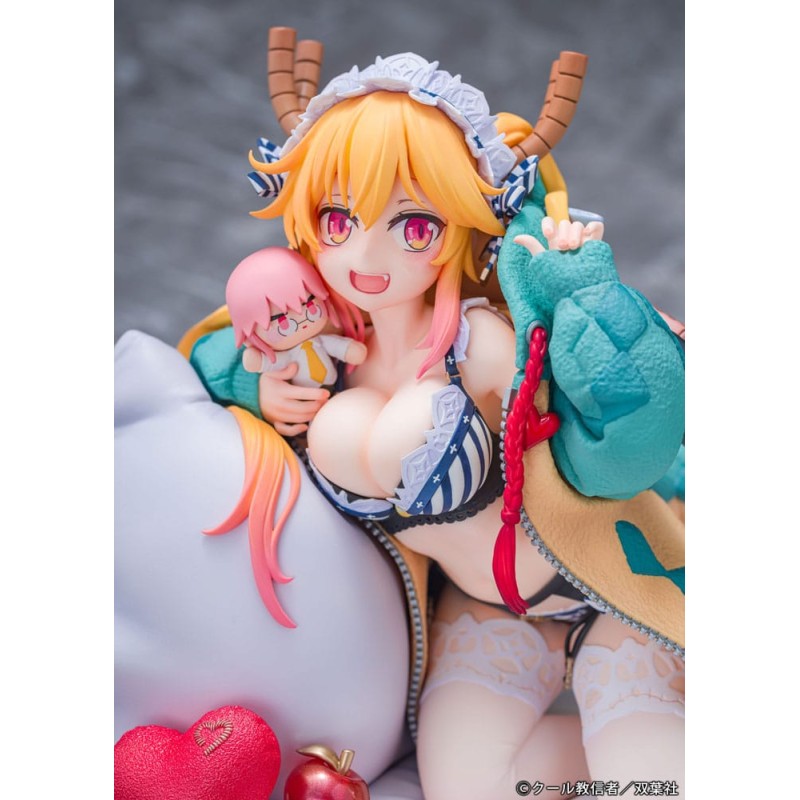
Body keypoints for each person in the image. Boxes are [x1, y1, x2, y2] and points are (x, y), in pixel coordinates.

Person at [185, 45, 686, 800]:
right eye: (338, 219)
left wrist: (589, 302)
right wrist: (265, 389)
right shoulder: (323, 358)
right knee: (466, 788)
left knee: (647, 777)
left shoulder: (480, 344)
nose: (366, 254)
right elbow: (215, 356)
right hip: (489, 616)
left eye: (414, 226)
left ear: (458, 224)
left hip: (611, 584)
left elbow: (617, 446)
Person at [226, 246, 367, 389]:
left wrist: (349, 350)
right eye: (283, 322)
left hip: (337, 386)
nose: (302, 320)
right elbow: (271, 363)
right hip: (301, 395)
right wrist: (259, 362)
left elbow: (340, 347)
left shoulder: (323, 340)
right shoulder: (289, 356)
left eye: (310, 306)